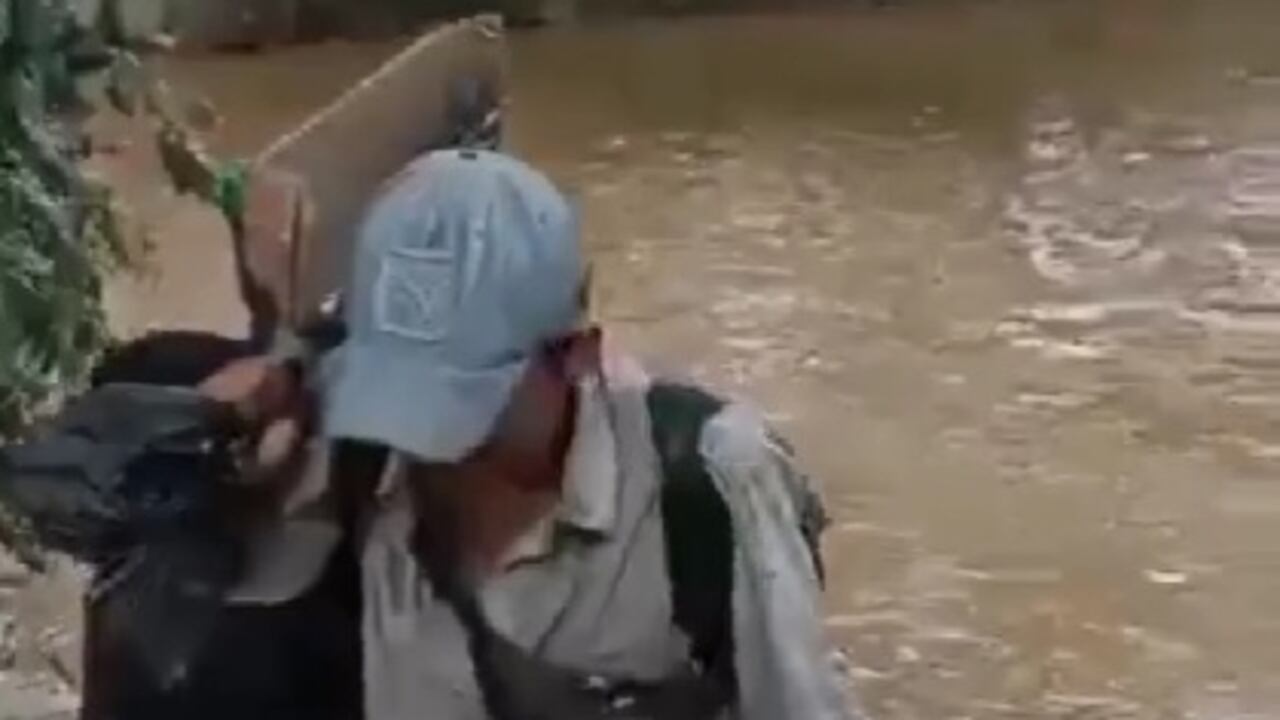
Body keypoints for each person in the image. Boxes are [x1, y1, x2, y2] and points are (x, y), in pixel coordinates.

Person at [196, 148, 856, 720]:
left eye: (461, 401)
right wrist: (212, 434)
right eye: (400, 394)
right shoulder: (361, 460)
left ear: (575, 356)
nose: (424, 441)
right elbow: (126, 536)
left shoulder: (709, 481)